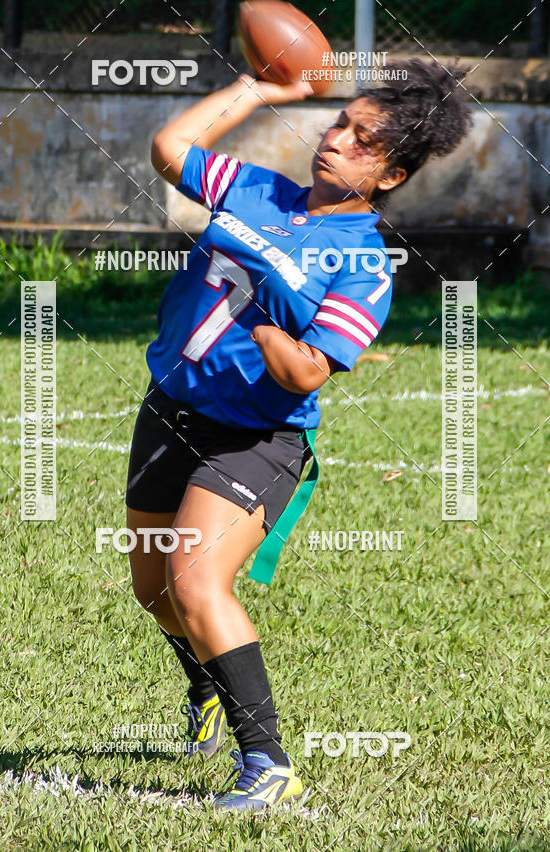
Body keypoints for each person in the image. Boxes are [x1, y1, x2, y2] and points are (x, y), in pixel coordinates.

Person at [125, 59, 472, 811]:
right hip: (169, 411)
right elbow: (169, 146)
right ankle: (207, 687)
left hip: (257, 438)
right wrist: (258, 90)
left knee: (195, 580)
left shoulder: (364, 264)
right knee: (154, 594)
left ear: (390, 176)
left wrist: (262, 304)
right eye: (341, 122)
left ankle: (267, 763)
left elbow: (308, 373)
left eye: (362, 141)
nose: (335, 139)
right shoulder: (255, 189)